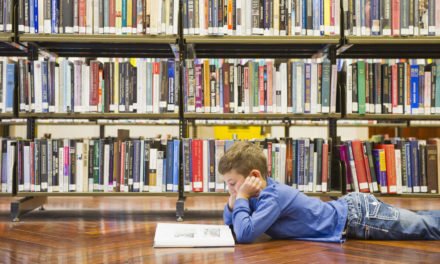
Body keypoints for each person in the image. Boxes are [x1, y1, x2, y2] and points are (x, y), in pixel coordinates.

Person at [219, 141, 440, 243]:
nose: (231, 189)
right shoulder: (255, 193)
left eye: (232, 183)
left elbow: (245, 234)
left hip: (359, 217)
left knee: (425, 228)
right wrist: (233, 203)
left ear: (254, 177)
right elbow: (233, 228)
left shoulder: (272, 197)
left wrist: (240, 197)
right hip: (352, 215)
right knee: (421, 219)